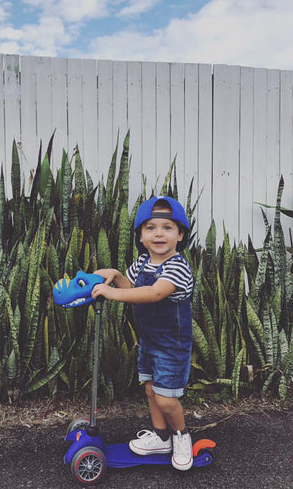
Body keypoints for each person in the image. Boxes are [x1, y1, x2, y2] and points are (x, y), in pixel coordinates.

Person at [91, 195, 194, 471]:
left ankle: (181, 436)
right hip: (149, 342)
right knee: (151, 390)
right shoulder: (142, 263)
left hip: (172, 346)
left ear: (180, 235)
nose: (158, 233)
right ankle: (161, 437)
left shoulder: (178, 267)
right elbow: (132, 286)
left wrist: (112, 293)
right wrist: (115, 275)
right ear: (141, 235)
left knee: (165, 398)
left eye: (167, 227)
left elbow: (153, 292)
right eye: (150, 228)